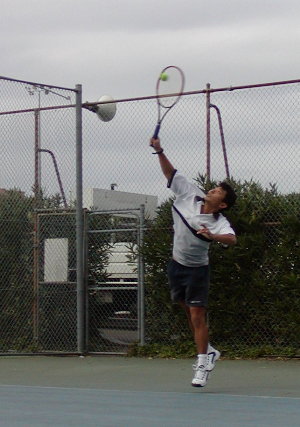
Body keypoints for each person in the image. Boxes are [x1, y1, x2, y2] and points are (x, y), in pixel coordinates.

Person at [150, 137, 237, 387]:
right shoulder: (189, 192)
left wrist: (213, 236)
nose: (212, 189)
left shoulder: (219, 222)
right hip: (176, 265)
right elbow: (170, 173)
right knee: (188, 311)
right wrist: (159, 150)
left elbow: (232, 239)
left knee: (198, 315)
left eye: (218, 191)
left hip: (198, 270)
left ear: (221, 204)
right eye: (214, 187)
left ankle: (202, 365)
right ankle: (208, 350)